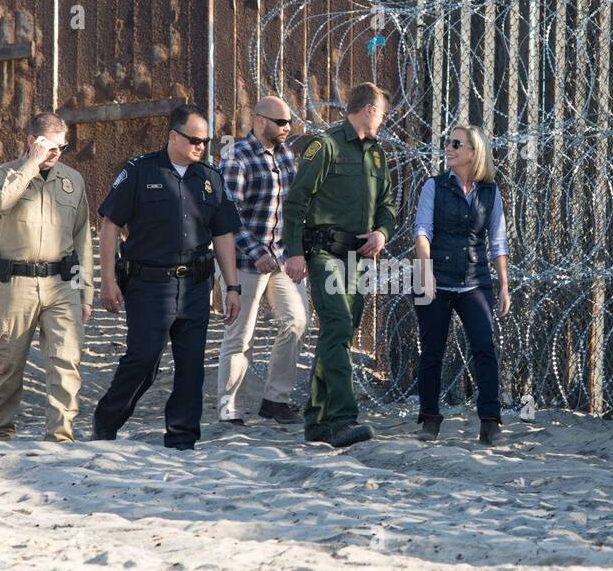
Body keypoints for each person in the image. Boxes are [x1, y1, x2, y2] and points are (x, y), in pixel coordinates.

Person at [92, 104, 242, 450]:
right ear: (173, 136)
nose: (201, 147)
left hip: (195, 285)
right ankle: (107, 420)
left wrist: (231, 287)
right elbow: (110, 225)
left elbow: (223, 235)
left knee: (191, 366)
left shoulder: (210, 179)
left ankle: (182, 437)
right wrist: (109, 279)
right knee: (143, 359)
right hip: (148, 285)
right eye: (194, 140)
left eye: (206, 141)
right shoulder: (140, 171)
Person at [282, 82, 396, 448]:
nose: (382, 122)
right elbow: (297, 200)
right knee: (338, 324)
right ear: (368, 110)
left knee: (339, 334)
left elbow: (388, 205)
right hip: (325, 252)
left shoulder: (377, 155)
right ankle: (343, 418)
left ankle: (317, 421)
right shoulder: (326, 145)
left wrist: (381, 232)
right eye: (382, 114)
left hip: (359, 257)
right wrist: (295, 252)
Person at [0, 113, 93, 442]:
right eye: (50, 147)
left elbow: (83, 237)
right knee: (8, 361)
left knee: (66, 359)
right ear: (32, 141)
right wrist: (31, 163)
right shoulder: (4, 173)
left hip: (61, 282)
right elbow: (1, 200)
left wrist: (85, 292)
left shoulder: (73, 180)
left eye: (62, 147)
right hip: (16, 283)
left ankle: (60, 435)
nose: (56, 154)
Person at [412, 124, 511, 445]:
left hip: (474, 280)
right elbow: (422, 231)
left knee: (484, 348)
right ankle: (429, 418)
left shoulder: (490, 192)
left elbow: (497, 243)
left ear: (473, 152)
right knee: (432, 352)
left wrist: (504, 286)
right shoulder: (434, 186)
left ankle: (490, 421)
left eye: (456, 143)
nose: (449, 148)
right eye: (447, 142)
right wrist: (425, 273)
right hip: (435, 278)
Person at [215, 95, 308, 426]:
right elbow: (228, 215)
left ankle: (275, 399)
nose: (287, 128)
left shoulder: (286, 156)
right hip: (245, 260)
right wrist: (255, 252)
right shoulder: (236, 158)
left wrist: (294, 251)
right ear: (259, 121)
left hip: (280, 257)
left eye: (289, 123)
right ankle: (229, 406)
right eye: (280, 122)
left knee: (295, 320)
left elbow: (294, 208)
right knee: (241, 335)